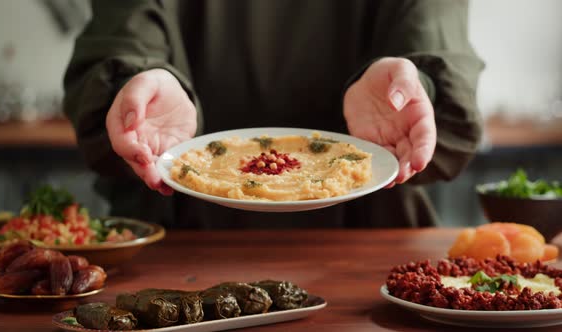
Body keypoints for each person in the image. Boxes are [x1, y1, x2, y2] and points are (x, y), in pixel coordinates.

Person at [64, 0, 483, 229]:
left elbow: (433, 32)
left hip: (368, 238)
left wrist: (416, 87)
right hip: (178, 238)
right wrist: (139, 82)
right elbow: (124, 34)